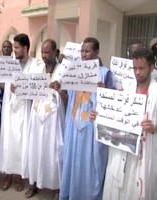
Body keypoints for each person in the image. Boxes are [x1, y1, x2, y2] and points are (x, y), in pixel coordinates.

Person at [59, 37, 113, 200]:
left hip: (91, 129)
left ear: (96, 52)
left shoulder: (105, 74)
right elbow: (70, 99)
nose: (84, 54)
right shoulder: (75, 72)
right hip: (74, 126)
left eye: (87, 51)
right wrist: (60, 91)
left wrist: (104, 91)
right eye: (82, 51)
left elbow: (111, 104)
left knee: (90, 164)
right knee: (72, 160)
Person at [100, 48, 157, 200]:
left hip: (144, 152)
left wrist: (154, 127)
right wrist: (100, 114)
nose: (137, 72)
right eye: (135, 68)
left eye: (141, 68)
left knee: (136, 191)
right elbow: (114, 113)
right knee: (116, 188)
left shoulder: (156, 92)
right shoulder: (126, 88)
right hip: (122, 149)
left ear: (152, 67)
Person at [0, 33, 44, 192]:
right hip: (10, 109)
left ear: (25, 48)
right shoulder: (9, 64)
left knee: (22, 143)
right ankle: (8, 174)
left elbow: (38, 88)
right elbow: (3, 86)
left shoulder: (37, 65)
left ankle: (20, 176)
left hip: (26, 110)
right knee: (8, 141)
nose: (14, 50)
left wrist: (21, 89)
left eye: (16, 47)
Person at [22, 39, 66, 198]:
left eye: (47, 52)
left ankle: (56, 186)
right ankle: (35, 183)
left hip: (54, 119)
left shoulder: (63, 71)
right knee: (36, 149)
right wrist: (18, 89)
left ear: (55, 52)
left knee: (54, 151)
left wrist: (59, 90)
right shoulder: (38, 69)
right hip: (37, 116)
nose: (44, 55)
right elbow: (28, 90)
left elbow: (68, 99)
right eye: (42, 52)